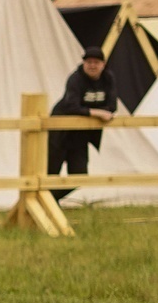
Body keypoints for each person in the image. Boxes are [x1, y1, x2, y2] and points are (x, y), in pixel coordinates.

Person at [49, 46, 118, 199]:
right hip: (59, 132)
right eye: (88, 62)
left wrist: (89, 112)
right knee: (50, 174)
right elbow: (71, 106)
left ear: (103, 64)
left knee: (79, 176)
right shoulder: (75, 78)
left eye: (96, 62)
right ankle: (46, 203)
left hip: (80, 135)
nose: (92, 65)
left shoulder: (108, 78)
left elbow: (112, 106)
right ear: (84, 63)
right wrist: (96, 112)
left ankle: (51, 200)